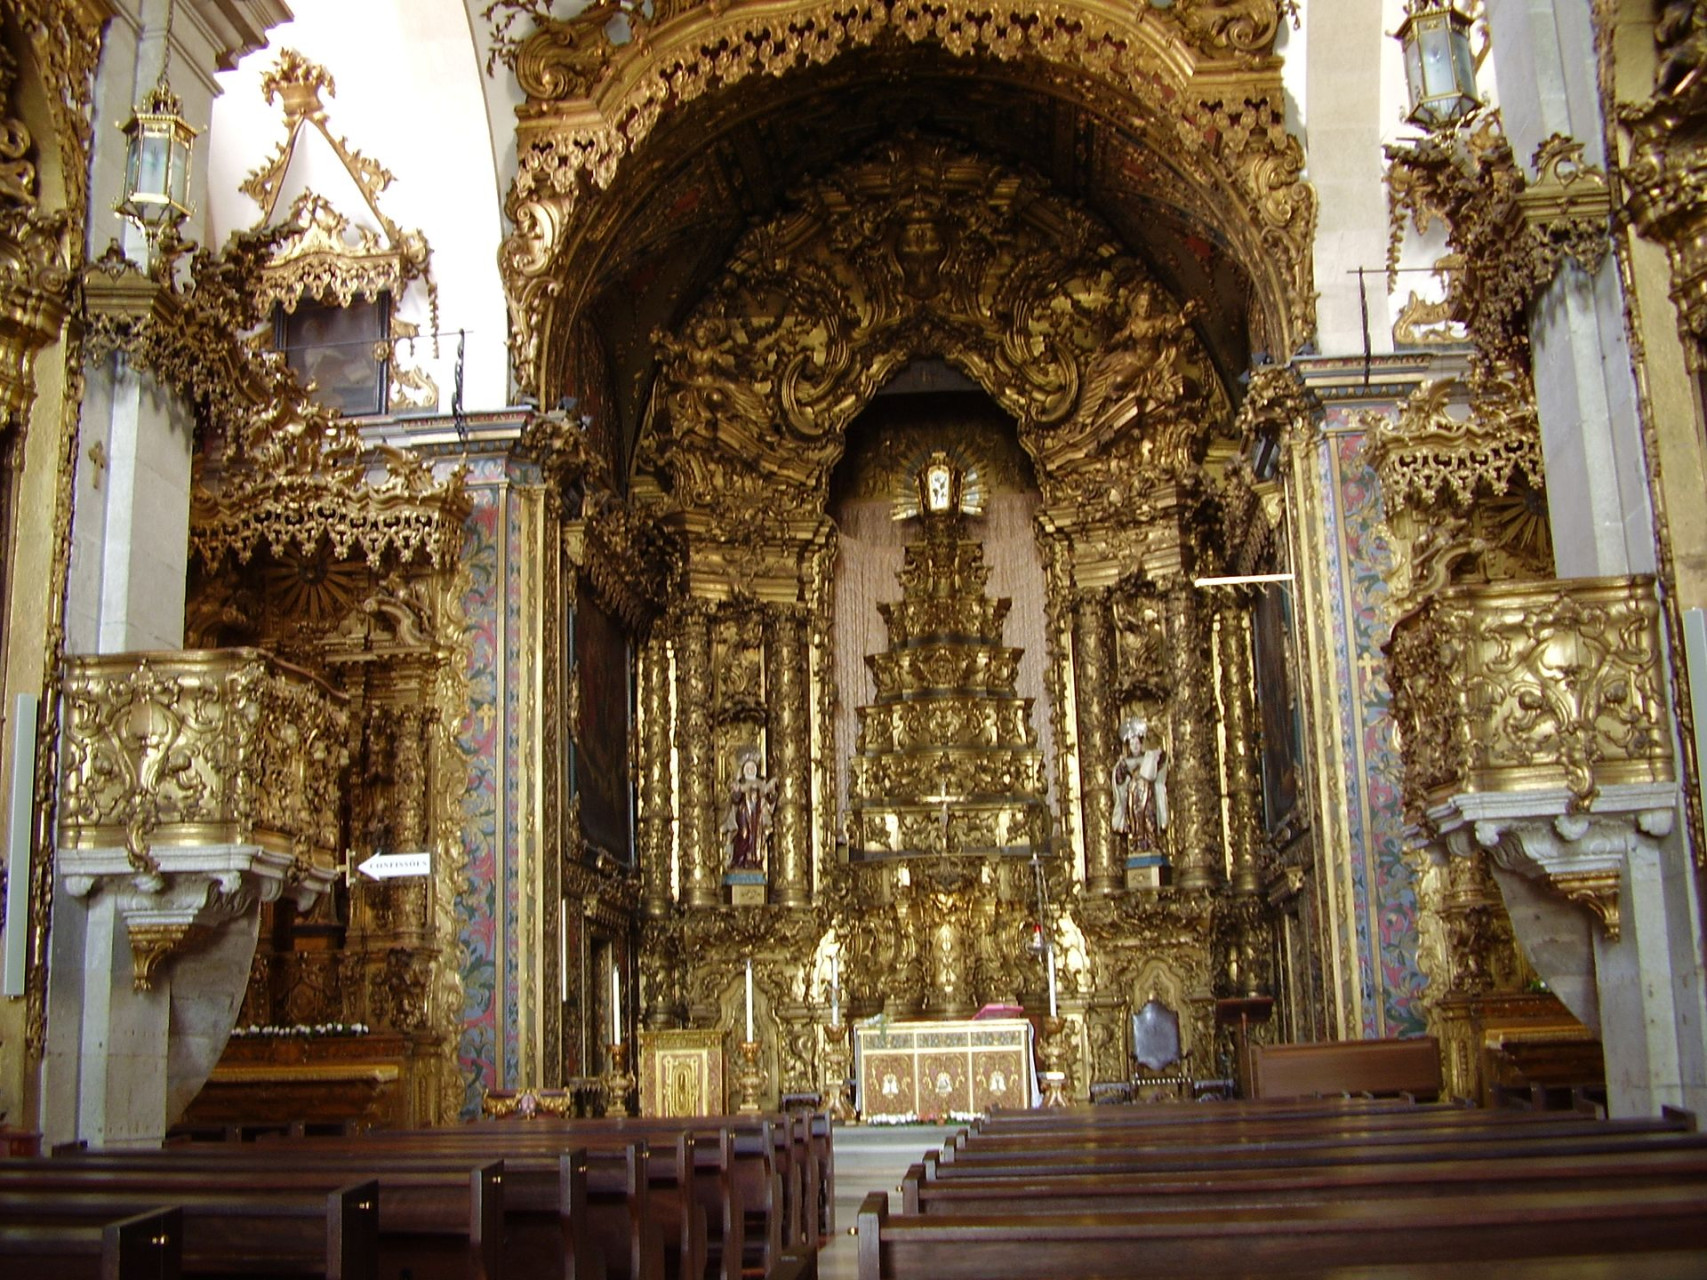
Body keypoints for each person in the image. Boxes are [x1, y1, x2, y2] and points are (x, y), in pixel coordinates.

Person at [1111, 717, 1167, 853]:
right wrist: (1120, 769)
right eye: (1132, 743)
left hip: (1148, 791)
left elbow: (1161, 763)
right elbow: (1119, 779)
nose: (1135, 746)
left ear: (1141, 743)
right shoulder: (1125, 761)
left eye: (1137, 743)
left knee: (1149, 816)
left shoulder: (1148, 756)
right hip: (1133, 792)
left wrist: (1157, 756)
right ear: (1128, 745)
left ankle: (1152, 841)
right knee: (1135, 819)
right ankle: (1137, 843)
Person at [723, 749, 777, 871]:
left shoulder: (761, 783)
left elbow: (769, 799)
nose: (751, 769)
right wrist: (736, 791)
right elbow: (735, 799)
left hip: (757, 815)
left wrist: (772, 792)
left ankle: (753, 860)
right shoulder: (740, 783)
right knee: (744, 834)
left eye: (753, 767)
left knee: (757, 837)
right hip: (744, 813)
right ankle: (738, 860)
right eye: (748, 767)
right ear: (743, 769)